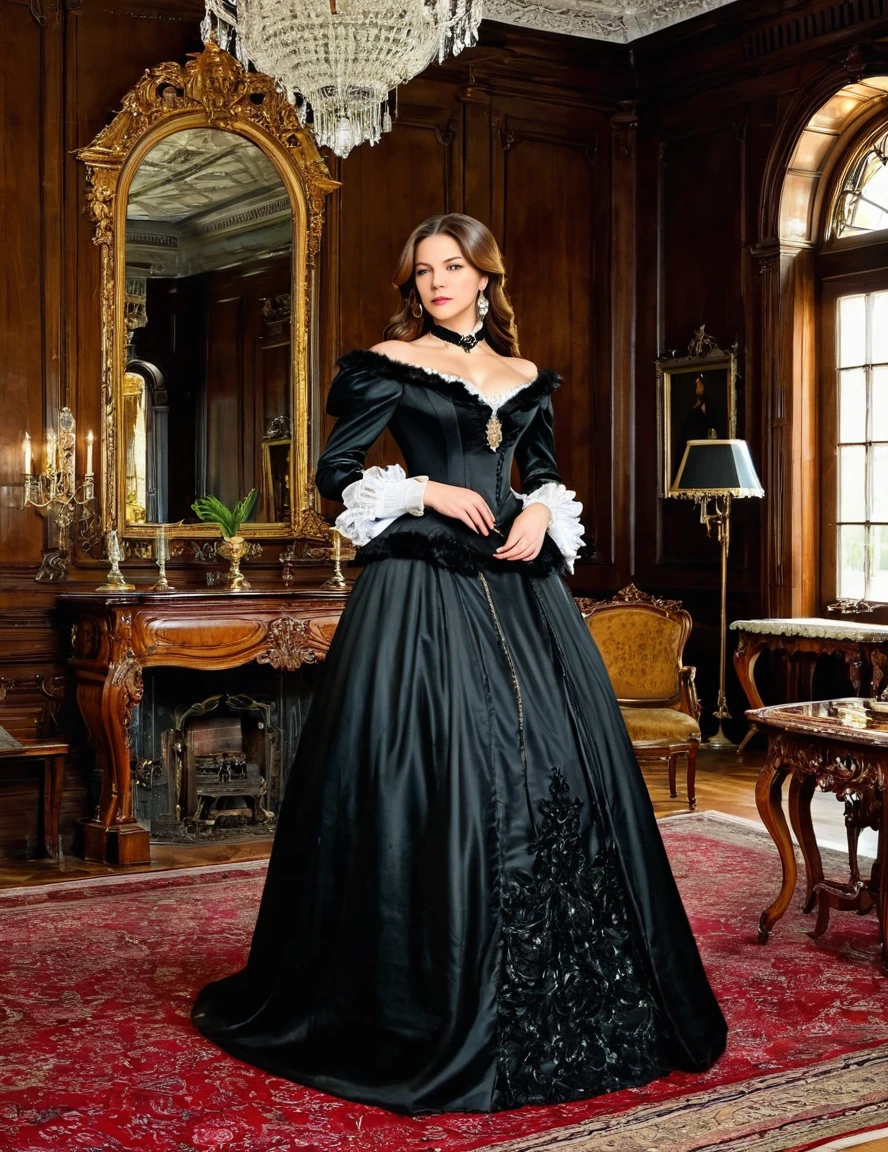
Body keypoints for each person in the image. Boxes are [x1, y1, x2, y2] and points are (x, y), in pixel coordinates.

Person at [192, 213, 727, 1115]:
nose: (438, 281)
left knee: (556, 763)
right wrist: (426, 487)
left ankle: (565, 973)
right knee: (438, 766)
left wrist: (538, 515)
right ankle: (419, 984)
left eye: (454, 266)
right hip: (420, 588)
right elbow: (334, 470)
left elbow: (546, 475)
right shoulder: (388, 362)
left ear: (485, 276)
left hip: (523, 587)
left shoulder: (525, 378)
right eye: (424, 270)